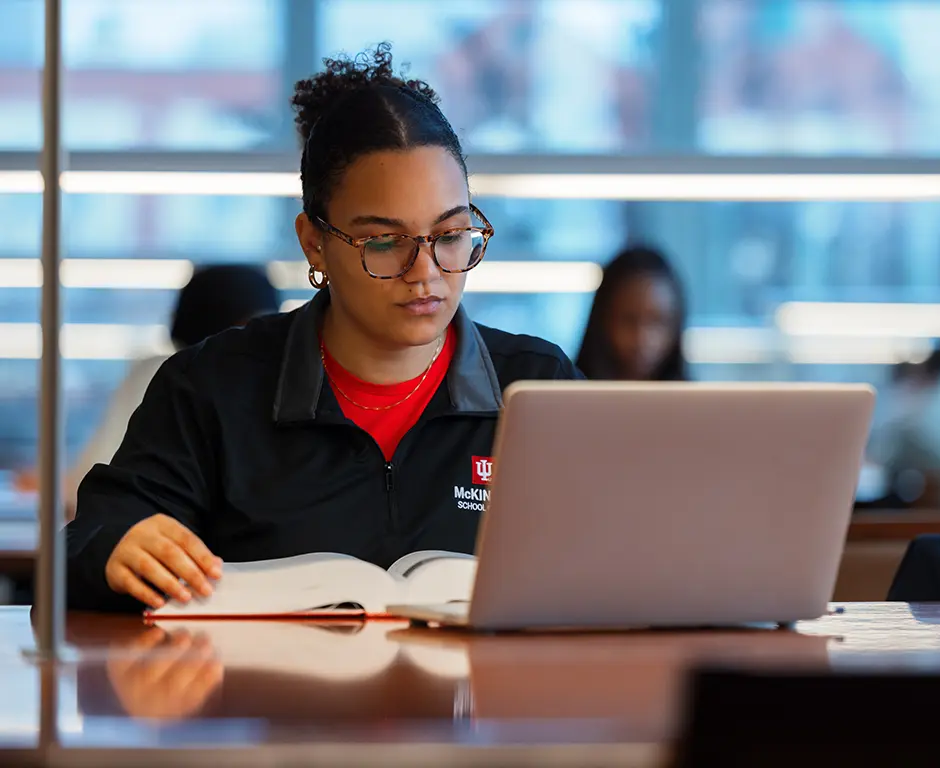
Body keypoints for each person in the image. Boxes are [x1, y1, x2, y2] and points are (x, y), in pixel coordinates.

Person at [61, 43, 581, 613]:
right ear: (314, 242)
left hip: (480, 700)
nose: (425, 273)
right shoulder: (212, 389)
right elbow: (79, 550)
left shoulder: (537, 389)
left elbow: (631, 557)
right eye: (384, 241)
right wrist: (115, 550)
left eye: (451, 234)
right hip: (266, 701)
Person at [64, 264, 280, 518]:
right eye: (252, 325)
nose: (264, 339)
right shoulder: (168, 375)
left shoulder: (265, 383)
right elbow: (89, 491)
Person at [575, 246, 688, 381]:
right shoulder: (565, 389)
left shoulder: (696, 400)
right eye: (629, 320)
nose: (643, 338)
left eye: (658, 321)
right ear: (603, 319)